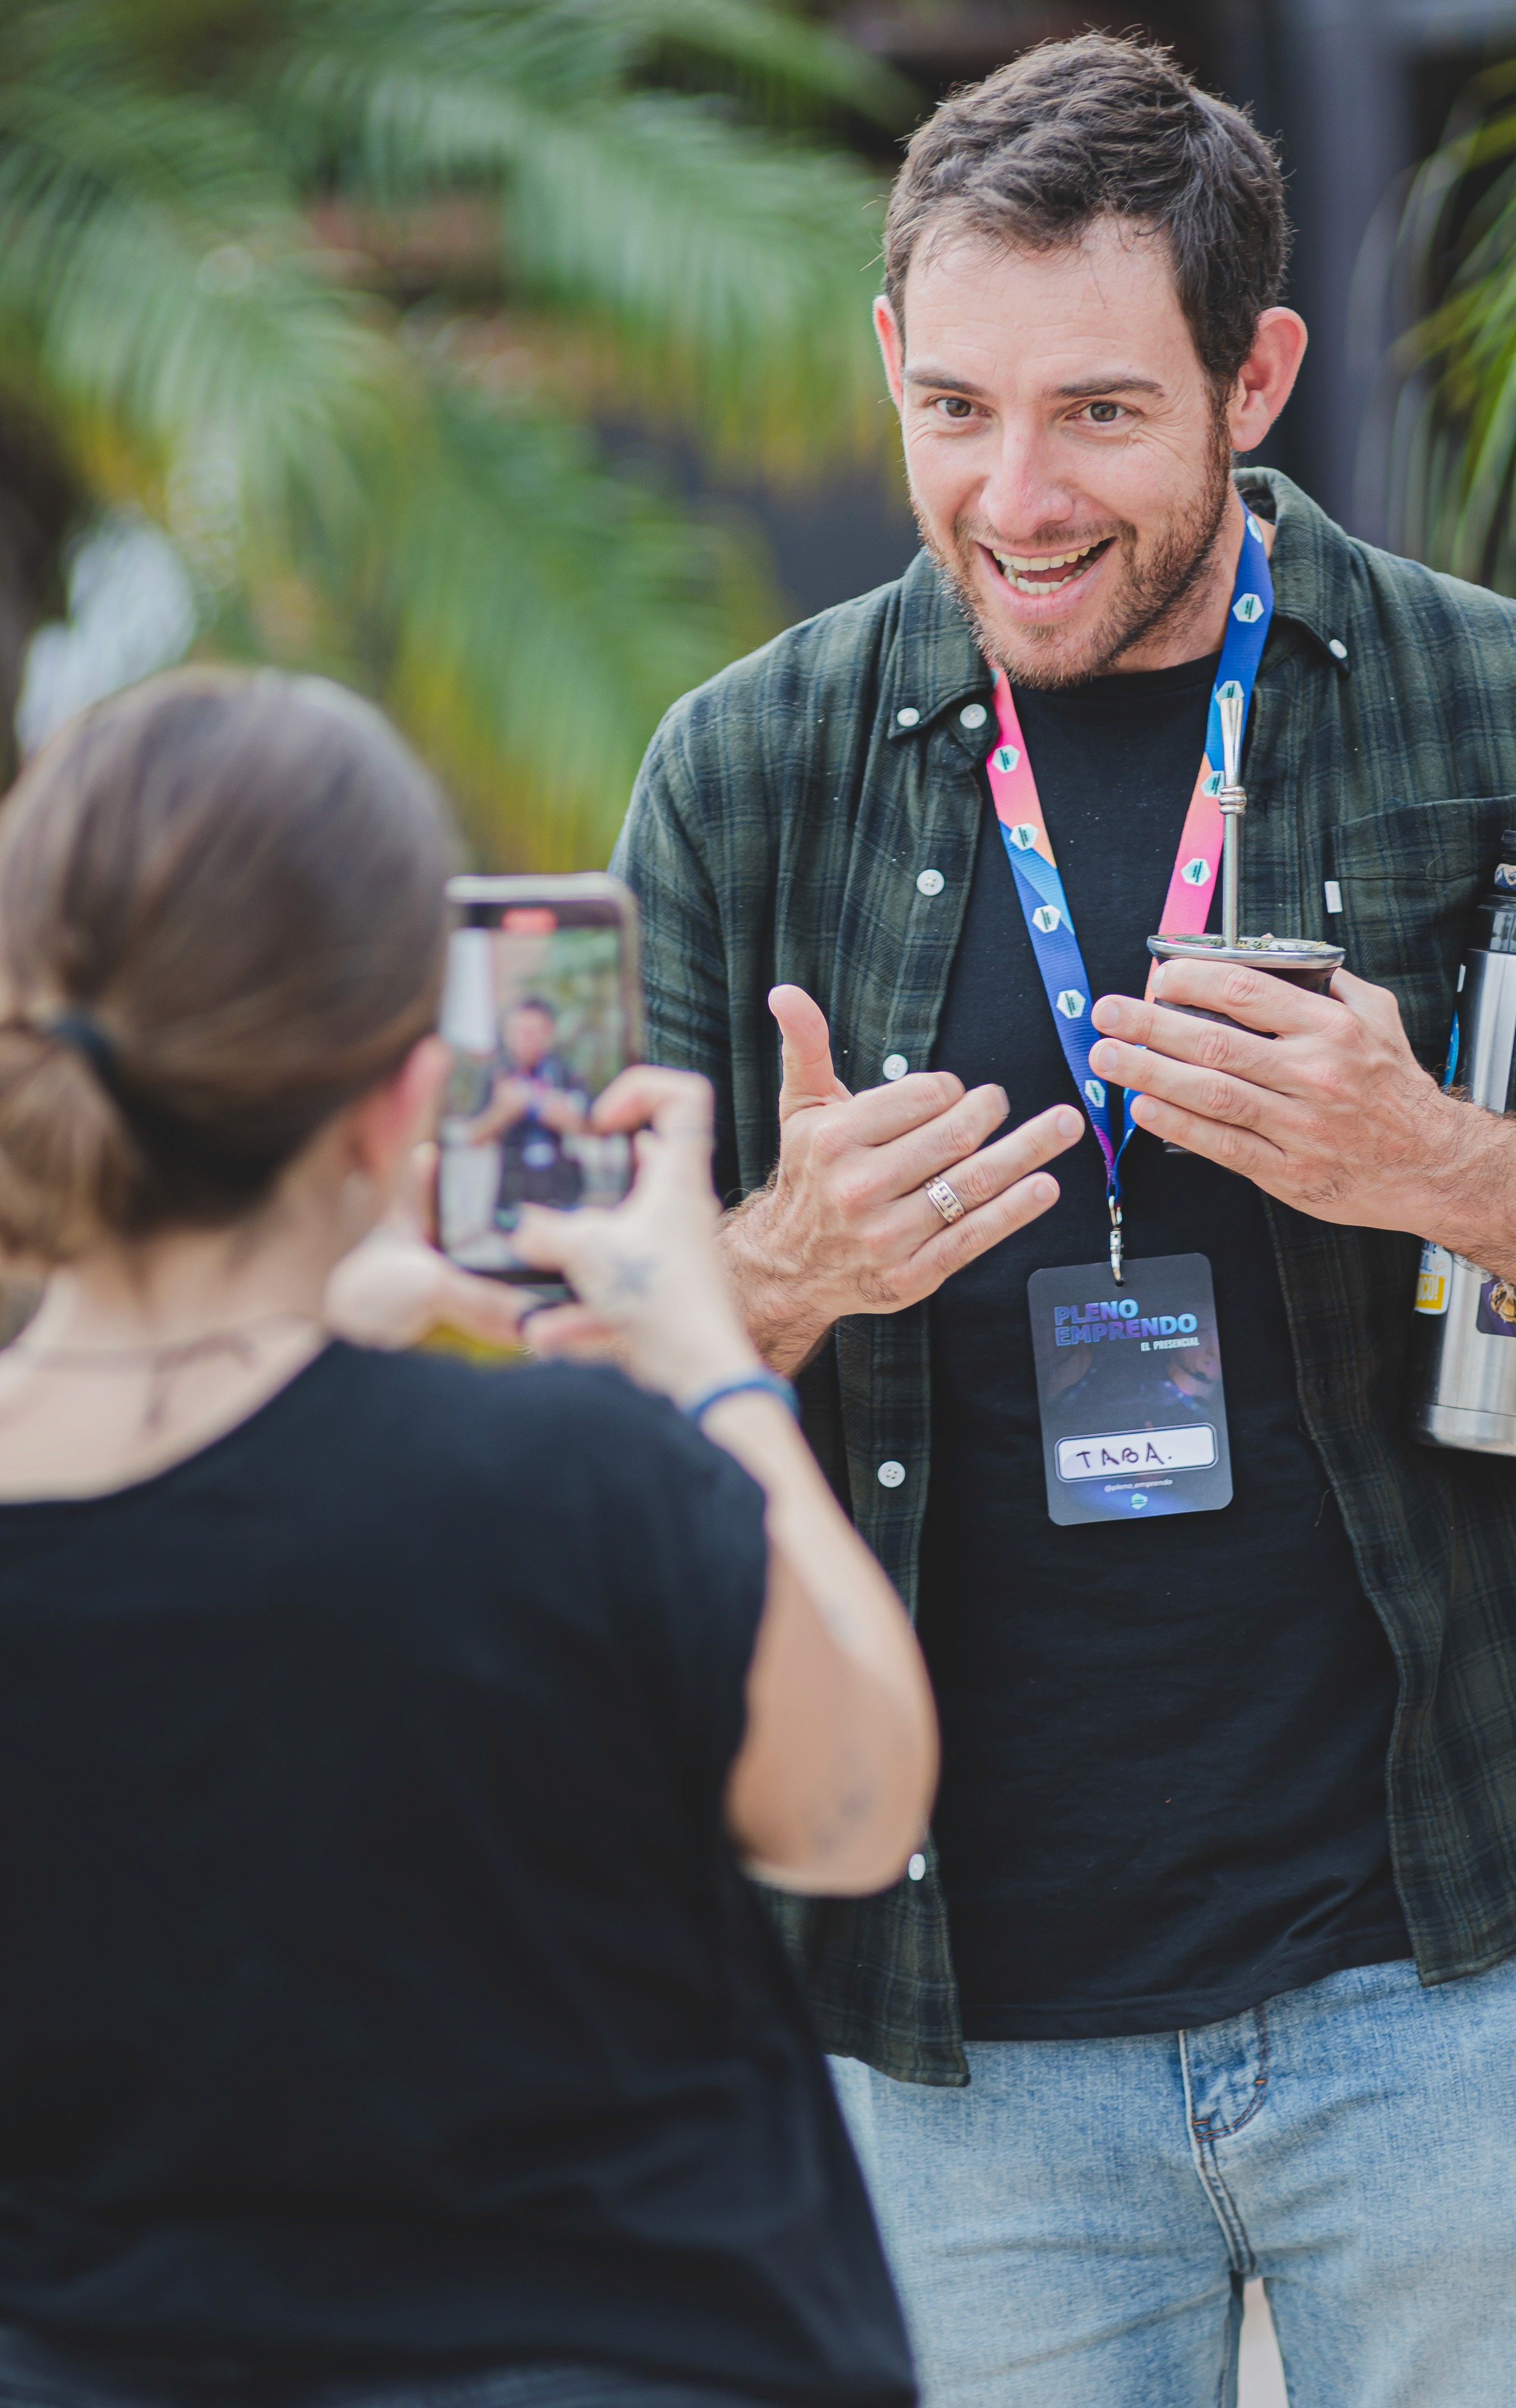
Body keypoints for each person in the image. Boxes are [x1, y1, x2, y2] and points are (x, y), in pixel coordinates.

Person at [615, 34, 1516, 2408]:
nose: (1011, 495)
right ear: (884, 358)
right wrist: (777, 1270)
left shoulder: (1508, 710)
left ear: (1252, 375)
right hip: (950, 2037)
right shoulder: (743, 775)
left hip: (1447, 1981)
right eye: (953, 406)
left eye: (1096, 412)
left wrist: (1447, 1163)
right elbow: (573, 1415)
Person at [0, 668, 933, 2408]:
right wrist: (713, 1369)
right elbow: (858, 1801)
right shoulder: (569, 1483)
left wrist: (339, 1301)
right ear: (404, 1096)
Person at [465, 994, 590, 1220]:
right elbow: (474, 1136)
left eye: (533, 1032)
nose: (525, 1039)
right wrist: (504, 1111)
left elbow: (590, 1125)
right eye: (518, 1031)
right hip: (512, 1195)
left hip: (563, 1194)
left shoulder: (567, 1073)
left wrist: (547, 1106)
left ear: (549, 1033)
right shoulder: (496, 1074)